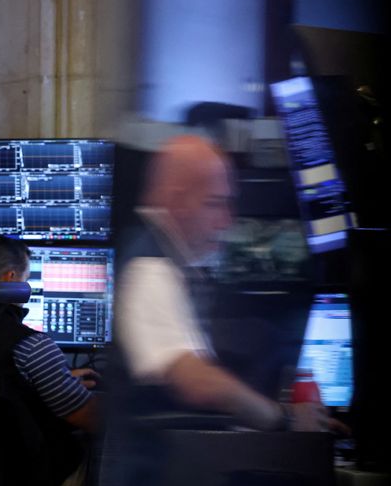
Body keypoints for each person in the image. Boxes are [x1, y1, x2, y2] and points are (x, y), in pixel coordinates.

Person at [114, 134, 328, 431]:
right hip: (157, 468)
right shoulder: (150, 268)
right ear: (177, 201)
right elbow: (195, 382)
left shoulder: (175, 259)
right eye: (215, 204)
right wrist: (284, 419)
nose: (226, 221)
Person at [0, 235, 99, 486]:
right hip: (28, 481)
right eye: (27, 278)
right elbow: (90, 417)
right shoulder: (32, 347)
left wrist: (57, 379)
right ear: (11, 279)